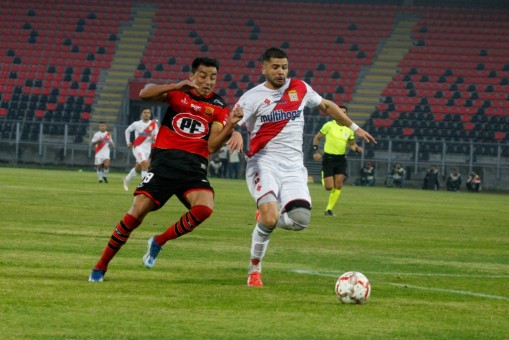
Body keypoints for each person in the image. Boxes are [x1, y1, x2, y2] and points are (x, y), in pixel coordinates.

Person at [228, 47, 376, 287]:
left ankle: (268, 218)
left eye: (284, 67)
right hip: (264, 163)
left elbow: (327, 106)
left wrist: (354, 127)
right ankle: (254, 269)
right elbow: (232, 120)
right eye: (275, 67)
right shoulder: (251, 97)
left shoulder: (300, 88)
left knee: (299, 221)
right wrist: (234, 132)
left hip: (294, 168)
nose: (280, 72)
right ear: (263, 68)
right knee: (270, 216)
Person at [88, 57, 244, 282]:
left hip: (193, 168)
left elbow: (211, 145)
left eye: (213, 77)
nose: (208, 81)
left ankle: (159, 241)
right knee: (136, 213)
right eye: (203, 75)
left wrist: (231, 126)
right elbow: (144, 93)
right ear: (192, 76)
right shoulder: (177, 94)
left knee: (205, 208)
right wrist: (175, 86)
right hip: (164, 164)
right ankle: (100, 266)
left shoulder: (219, 107)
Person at [312, 105, 363, 216]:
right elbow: (317, 138)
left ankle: (329, 210)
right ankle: (323, 174)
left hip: (341, 159)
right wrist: (316, 151)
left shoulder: (349, 129)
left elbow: (352, 144)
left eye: (345, 112)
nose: (343, 114)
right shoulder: (329, 125)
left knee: (338, 185)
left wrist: (357, 149)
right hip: (329, 158)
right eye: (341, 112)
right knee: (329, 187)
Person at [122, 108, 159, 191]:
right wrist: (128, 142)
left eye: (148, 112)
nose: (146, 114)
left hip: (147, 149)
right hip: (137, 147)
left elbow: (156, 135)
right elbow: (127, 131)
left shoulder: (153, 124)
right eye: (145, 112)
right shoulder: (136, 124)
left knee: (138, 167)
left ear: (150, 114)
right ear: (142, 114)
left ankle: (126, 179)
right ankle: (145, 187)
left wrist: (154, 138)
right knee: (145, 165)